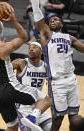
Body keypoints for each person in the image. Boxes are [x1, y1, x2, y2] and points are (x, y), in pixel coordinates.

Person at [0, 5, 51, 131]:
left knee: (12, 126)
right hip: (10, 87)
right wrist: (13, 20)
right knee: (47, 98)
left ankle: (30, 119)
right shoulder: (3, 49)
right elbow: (23, 37)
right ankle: (32, 118)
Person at [23, 0, 84, 130]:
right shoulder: (47, 36)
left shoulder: (70, 38)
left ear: (61, 24)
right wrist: (35, 3)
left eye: (56, 19)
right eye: (50, 20)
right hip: (57, 83)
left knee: (74, 117)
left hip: (72, 80)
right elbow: (39, 20)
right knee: (57, 119)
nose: (52, 21)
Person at [12, 41, 52, 131]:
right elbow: (4, 69)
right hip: (22, 106)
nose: (31, 49)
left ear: (41, 52)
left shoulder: (45, 67)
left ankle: (34, 117)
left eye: (34, 47)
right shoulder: (21, 63)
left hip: (37, 106)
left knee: (51, 127)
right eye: (29, 47)